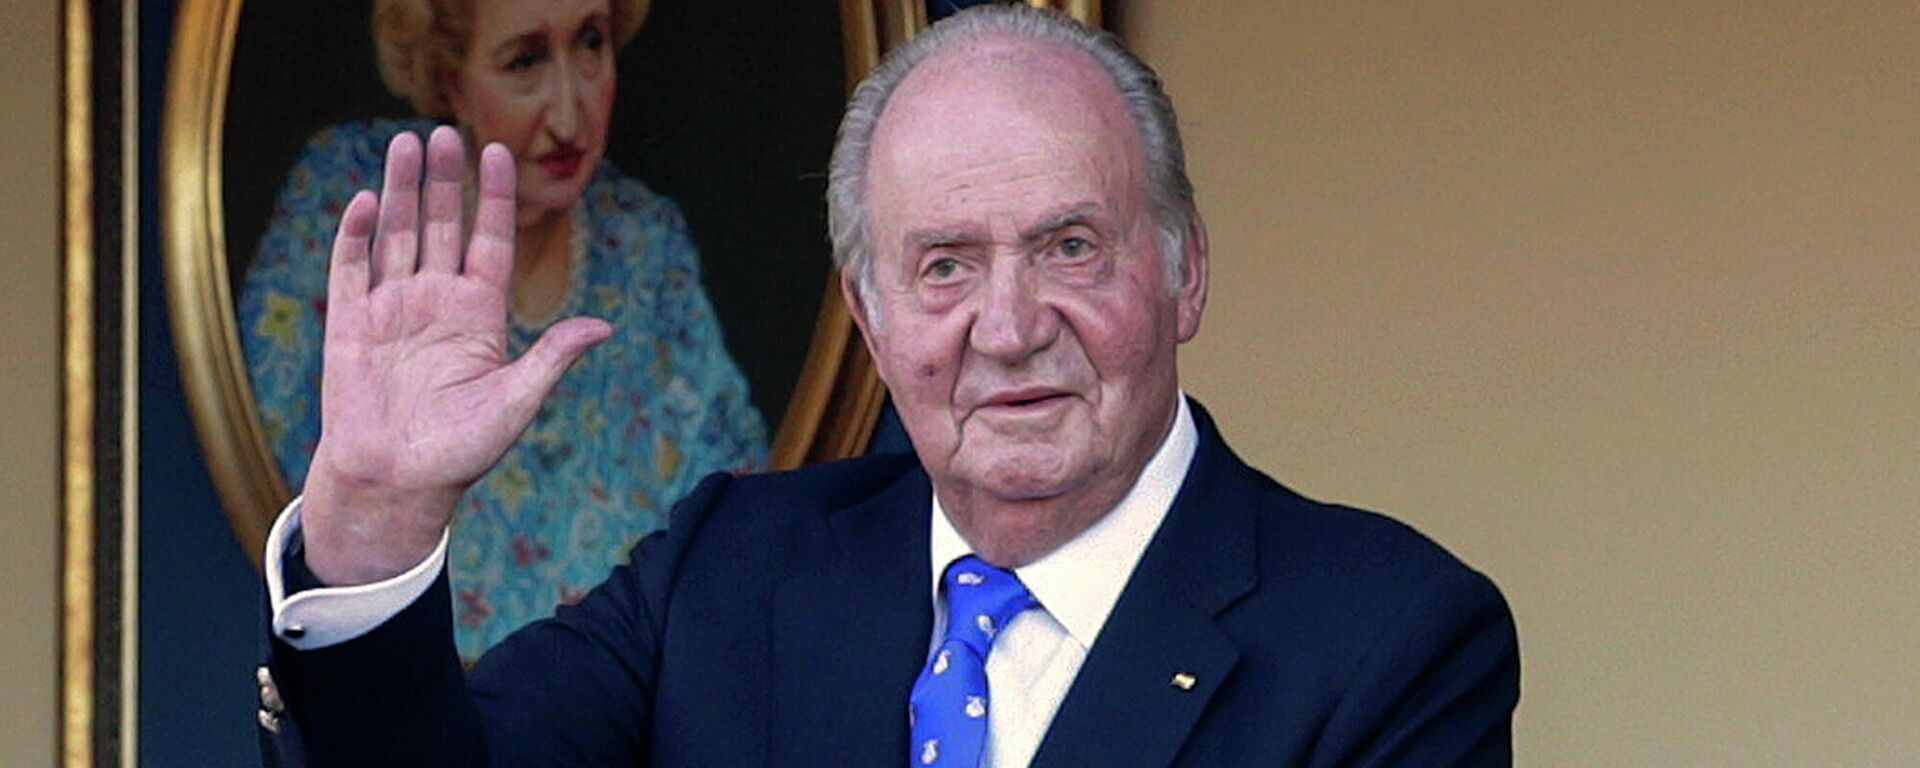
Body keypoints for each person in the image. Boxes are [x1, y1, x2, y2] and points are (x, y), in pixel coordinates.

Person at [255, 6, 1519, 766]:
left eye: (1070, 246)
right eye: (944, 266)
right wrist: (373, 521)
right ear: (868, 314)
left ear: (1184, 274)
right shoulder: (730, 571)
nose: (1010, 327)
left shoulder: (1392, 640)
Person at [236, 0, 768, 660]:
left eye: (591, 43)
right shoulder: (348, 205)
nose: (571, 114)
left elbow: (735, 514)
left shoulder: (643, 241)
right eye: (525, 61)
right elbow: (267, 481)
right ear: (450, 78)